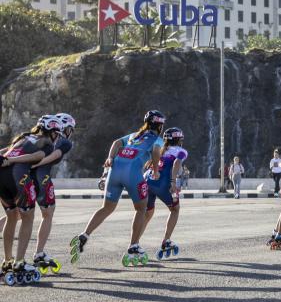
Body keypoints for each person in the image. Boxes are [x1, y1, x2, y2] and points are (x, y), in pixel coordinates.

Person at [69, 110, 165, 267]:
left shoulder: (134, 135)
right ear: (160, 126)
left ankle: (84, 234)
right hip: (132, 173)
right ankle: (133, 246)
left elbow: (116, 143)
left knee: (106, 208)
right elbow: (155, 151)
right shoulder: (158, 140)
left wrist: (110, 158)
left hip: (114, 171)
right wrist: (155, 170)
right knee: (141, 209)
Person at [1, 115, 60, 283]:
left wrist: (8, 158)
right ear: (52, 132)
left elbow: (6, 151)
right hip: (18, 176)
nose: (57, 136)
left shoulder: (24, 137)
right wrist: (13, 160)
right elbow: (37, 156)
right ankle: (19, 263)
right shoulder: (46, 143)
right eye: (57, 133)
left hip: (1, 175)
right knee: (27, 217)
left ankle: (7, 261)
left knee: (11, 217)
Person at [28, 113, 75, 274]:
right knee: (47, 214)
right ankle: (39, 253)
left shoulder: (37, 136)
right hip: (42, 177)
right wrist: (36, 164)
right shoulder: (65, 142)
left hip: (24, 175)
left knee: (19, 213)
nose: (70, 132)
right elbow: (54, 155)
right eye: (70, 129)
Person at [141, 127, 188, 260]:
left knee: (147, 213)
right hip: (163, 183)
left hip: (148, 181)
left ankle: (134, 243)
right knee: (175, 209)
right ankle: (166, 240)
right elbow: (177, 163)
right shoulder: (181, 151)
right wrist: (173, 182)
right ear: (179, 140)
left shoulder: (160, 149)